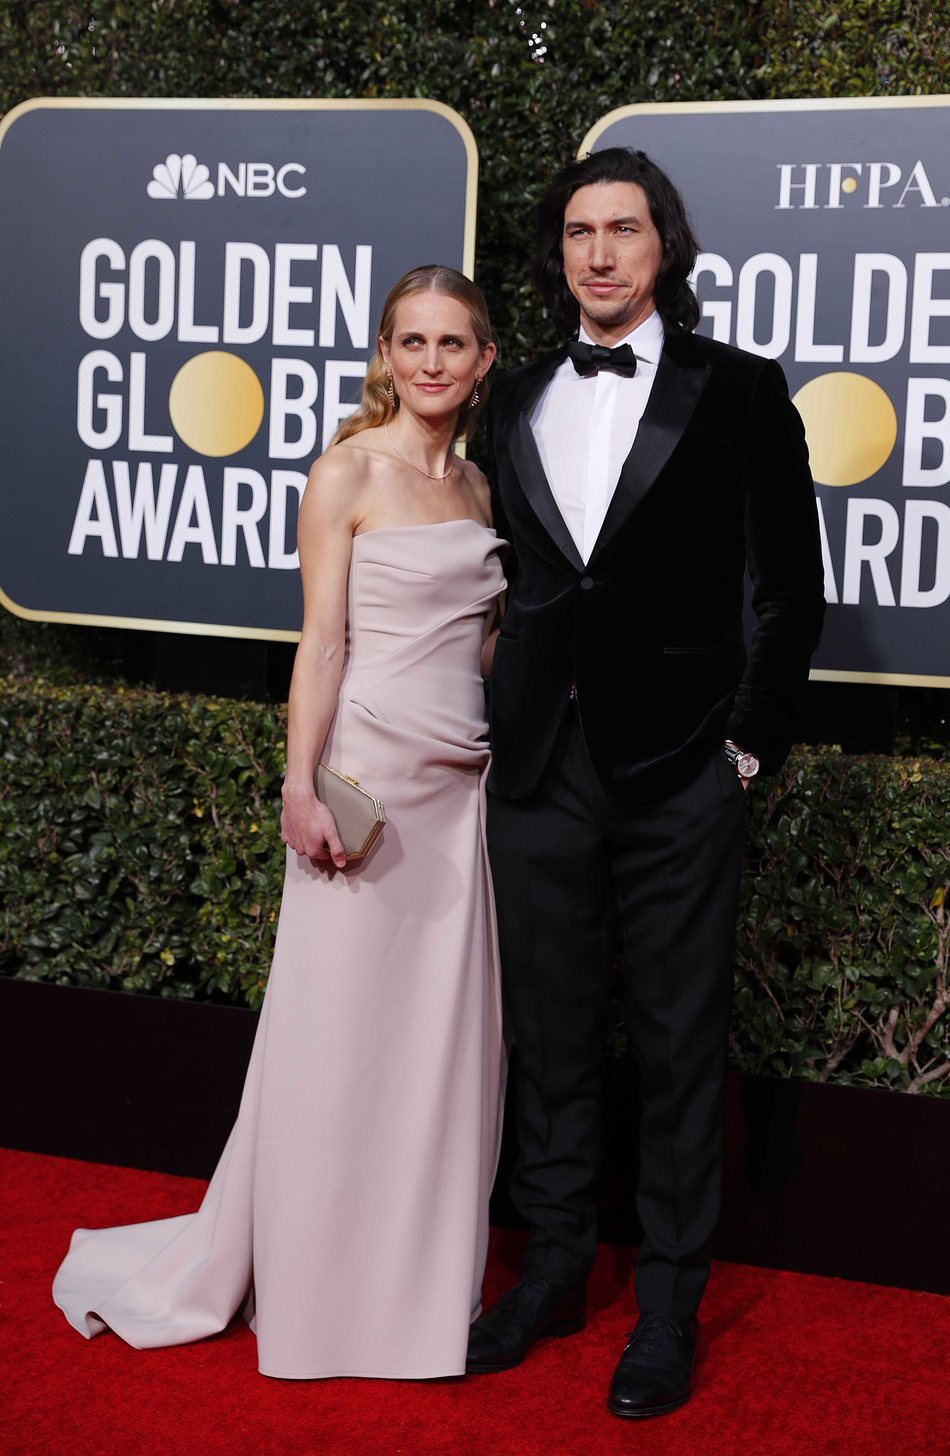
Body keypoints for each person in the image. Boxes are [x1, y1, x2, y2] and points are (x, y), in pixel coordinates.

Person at [53, 264, 506, 1380]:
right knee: (333, 1048)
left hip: (458, 794)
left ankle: (410, 1287)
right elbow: (323, 643)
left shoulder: (483, 490)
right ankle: (314, 1289)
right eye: (414, 342)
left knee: (433, 1055)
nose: (433, 362)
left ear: (484, 360)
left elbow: (483, 648)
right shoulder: (346, 470)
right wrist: (301, 783)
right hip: (367, 789)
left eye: (454, 343)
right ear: (386, 355)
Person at [466, 148, 825, 1417]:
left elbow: (789, 591)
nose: (599, 253)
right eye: (578, 231)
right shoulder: (510, 400)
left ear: (663, 245)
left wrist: (742, 749)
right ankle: (554, 1269)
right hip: (539, 775)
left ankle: (667, 1306)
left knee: (678, 1052)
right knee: (550, 1046)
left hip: (681, 775)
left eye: (623, 229)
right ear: (559, 251)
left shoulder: (738, 389)